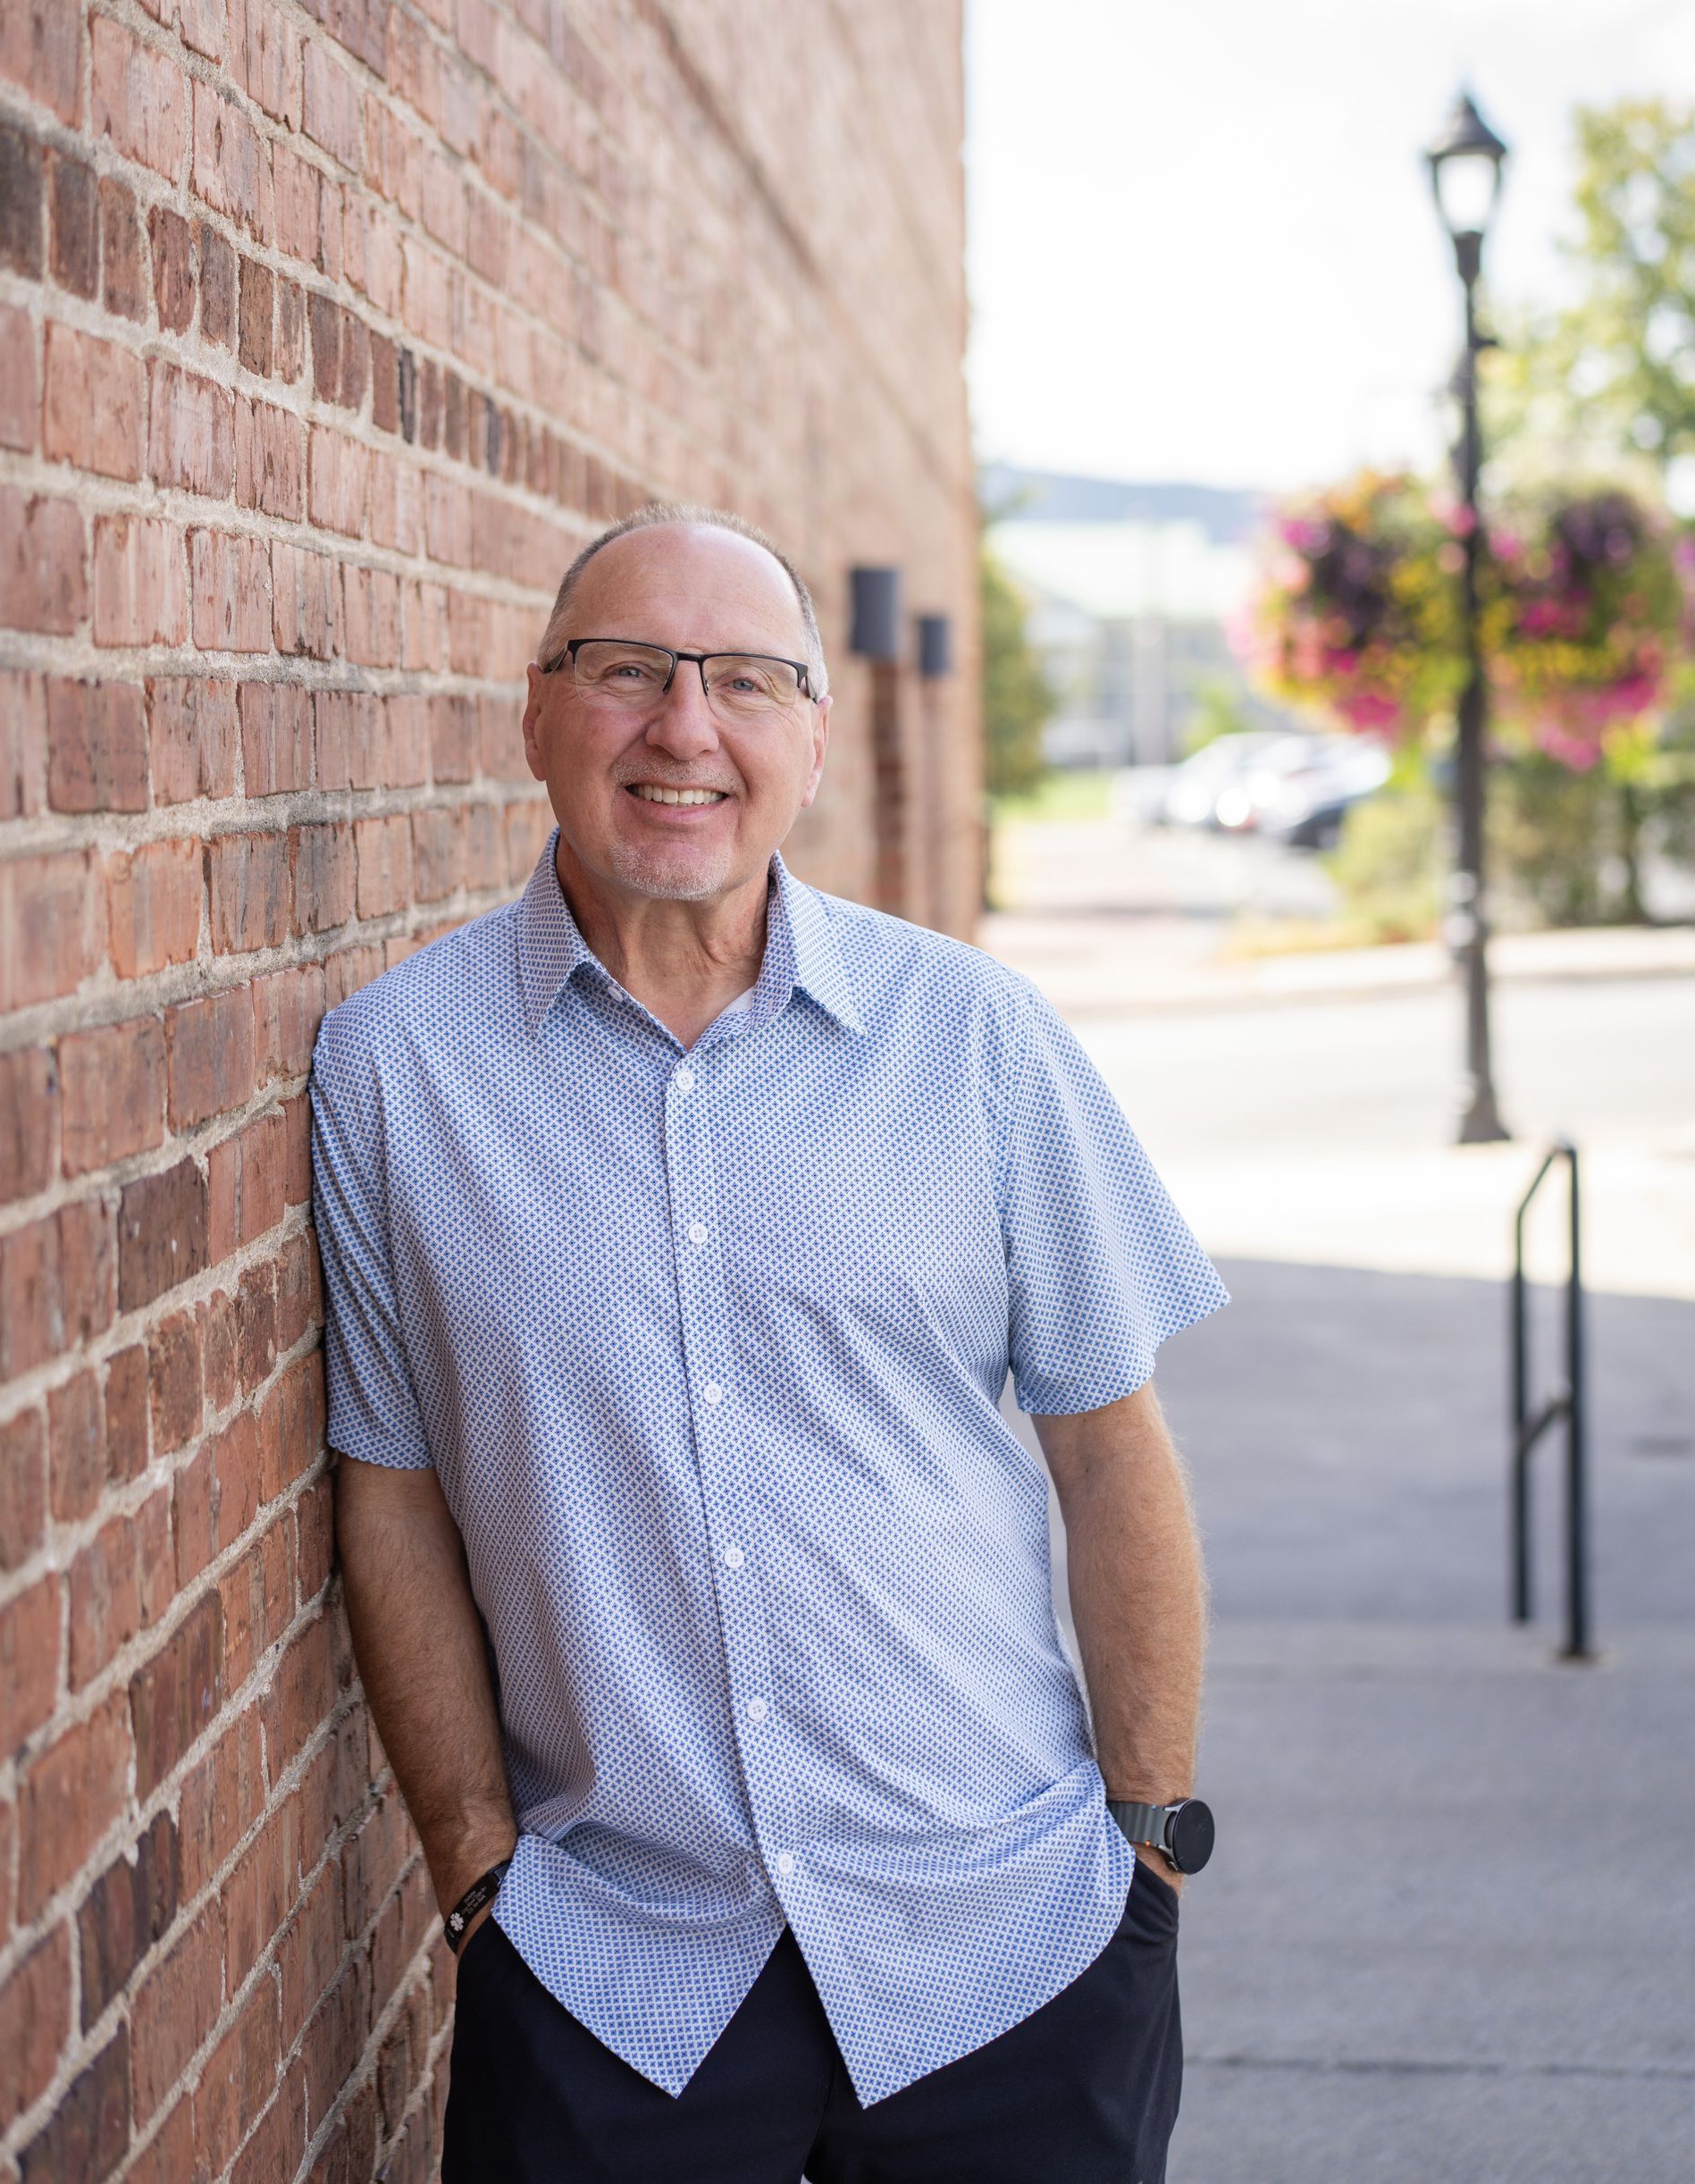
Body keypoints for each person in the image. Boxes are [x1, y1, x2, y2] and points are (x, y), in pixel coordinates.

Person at [310, 502, 1229, 2184]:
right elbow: (391, 1490)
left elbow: (1111, 1452)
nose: (684, 728)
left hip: (1011, 1950)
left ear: (811, 735)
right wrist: (473, 1873)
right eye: (627, 671)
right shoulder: (391, 1073)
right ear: (535, 713)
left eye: (744, 680)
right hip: (610, 1980)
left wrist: (1146, 1849)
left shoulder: (976, 1038)